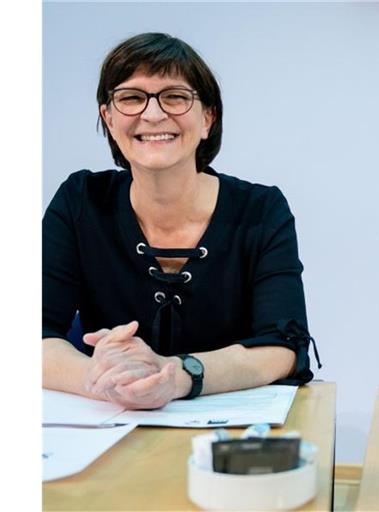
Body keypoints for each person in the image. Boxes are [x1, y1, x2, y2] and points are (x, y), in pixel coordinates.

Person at [43, 33, 318, 410]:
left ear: (208, 118)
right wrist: (104, 379)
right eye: (131, 98)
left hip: (230, 431)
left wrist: (176, 375)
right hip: (111, 424)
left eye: (175, 97)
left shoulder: (261, 210)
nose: (153, 115)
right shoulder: (80, 202)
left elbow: (282, 346)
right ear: (107, 118)